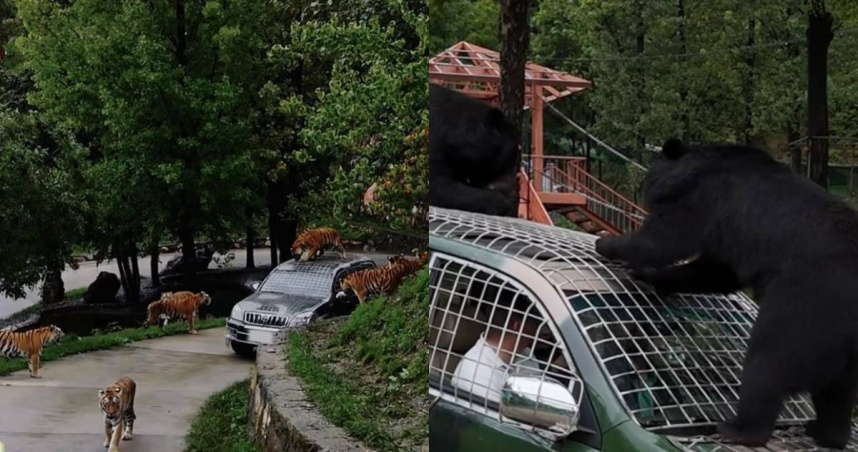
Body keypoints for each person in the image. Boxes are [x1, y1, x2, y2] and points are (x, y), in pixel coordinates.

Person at [451, 296, 550, 404]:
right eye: (536, 325)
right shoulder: (478, 372)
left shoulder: (526, 355)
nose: (541, 331)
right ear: (519, 327)